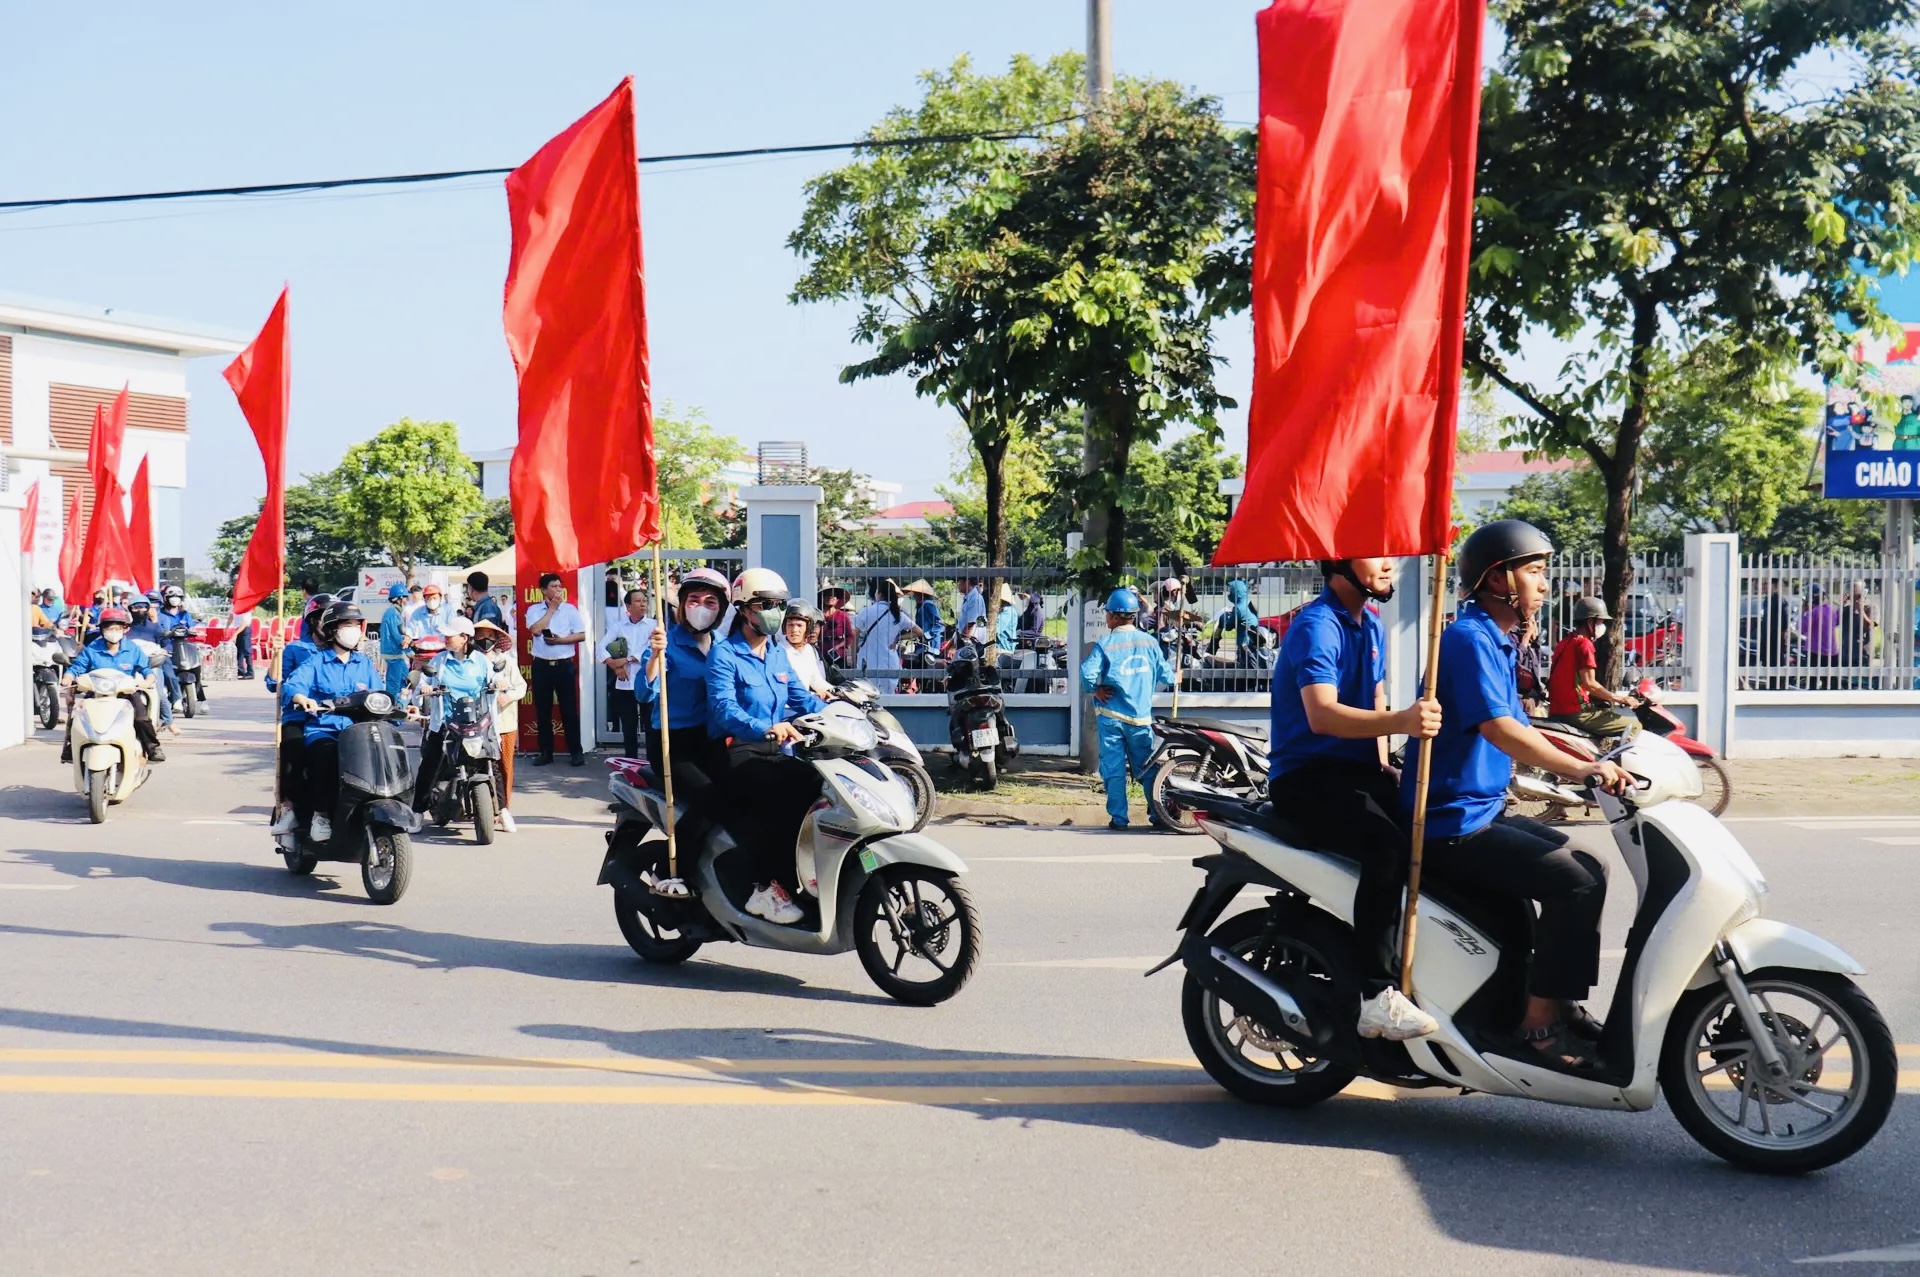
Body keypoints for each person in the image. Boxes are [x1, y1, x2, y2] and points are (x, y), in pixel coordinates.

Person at [1402, 520, 1631, 1073]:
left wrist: (1594, 754)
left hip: (1483, 812)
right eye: (1534, 571)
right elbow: (1501, 730)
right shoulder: (1468, 640)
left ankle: (1560, 1003)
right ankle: (1538, 1027)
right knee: (1575, 881)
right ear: (1497, 579)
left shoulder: (1497, 641)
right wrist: (1584, 770)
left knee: (1591, 866)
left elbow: (1527, 724)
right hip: (1449, 823)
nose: (1545, 584)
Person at [1268, 558, 1443, 1040]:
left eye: (1391, 554)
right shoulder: (1317, 626)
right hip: (1307, 778)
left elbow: (1376, 698)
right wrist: (1404, 722)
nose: (1388, 565)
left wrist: (1385, 764)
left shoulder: (1372, 625)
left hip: (1359, 773)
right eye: (1374, 553)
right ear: (1340, 563)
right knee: (1386, 849)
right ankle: (1376, 996)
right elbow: (1323, 714)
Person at [705, 568, 826, 924]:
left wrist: (844, 711)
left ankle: (797, 878)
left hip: (775, 749)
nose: (775, 612)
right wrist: (765, 728)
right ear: (745, 610)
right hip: (739, 750)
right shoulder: (724, 654)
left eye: (779, 605)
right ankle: (763, 888)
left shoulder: (776, 654)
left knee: (816, 785)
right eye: (766, 605)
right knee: (777, 797)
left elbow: (803, 699)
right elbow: (724, 709)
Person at [282, 601, 379, 843]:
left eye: (356, 625)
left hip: (359, 732)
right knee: (326, 756)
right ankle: (321, 815)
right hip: (324, 729)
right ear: (333, 629)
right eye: (348, 625)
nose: (354, 630)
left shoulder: (364, 664)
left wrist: (401, 705)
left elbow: (381, 694)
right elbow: (293, 684)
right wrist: (301, 697)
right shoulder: (316, 661)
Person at [1078, 588, 1173, 831]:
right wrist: (1176, 677)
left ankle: (1119, 819)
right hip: (1140, 718)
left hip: (1111, 717)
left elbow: (1087, 674)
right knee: (1147, 768)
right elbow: (1167, 676)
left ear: (1113, 616)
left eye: (1107, 613)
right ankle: (1158, 815)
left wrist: (1095, 689)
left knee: (1113, 769)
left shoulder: (1106, 643)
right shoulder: (1150, 642)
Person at [643, 567, 730, 788]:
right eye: (694, 600)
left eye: (710, 602)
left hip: (713, 740)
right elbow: (643, 694)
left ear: (720, 609)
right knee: (707, 796)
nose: (701, 607)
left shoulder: (726, 647)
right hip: (672, 743)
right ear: (682, 604)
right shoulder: (665, 644)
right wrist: (654, 657)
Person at [61, 606, 165, 765]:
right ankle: (71, 748)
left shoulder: (132, 649)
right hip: (96, 693)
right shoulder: (92, 649)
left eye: (117, 628)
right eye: (109, 628)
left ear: (125, 629)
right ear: (102, 630)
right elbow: (77, 668)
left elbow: (146, 670)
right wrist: (68, 677)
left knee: (141, 718)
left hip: (126, 693)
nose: (113, 632)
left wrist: (148, 680)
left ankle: (153, 748)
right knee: (79, 716)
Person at [411, 616, 494, 814]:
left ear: (464, 638)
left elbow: (494, 679)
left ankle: (498, 810)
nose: (446, 639)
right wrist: (424, 688)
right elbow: (423, 683)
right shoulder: (439, 660)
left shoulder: (481, 661)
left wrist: (499, 683)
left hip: (475, 721)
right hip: (445, 721)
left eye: (451, 635)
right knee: (431, 763)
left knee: (489, 760)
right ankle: (417, 810)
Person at [1546, 598, 1638, 739]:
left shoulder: (1566, 642)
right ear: (1590, 622)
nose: (1602, 626)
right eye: (1600, 622)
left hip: (1557, 710)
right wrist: (1621, 699)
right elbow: (1590, 685)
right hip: (1576, 713)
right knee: (1634, 726)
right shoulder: (1584, 644)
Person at [526, 572, 587, 766]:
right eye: (554, 586)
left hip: (564, 665)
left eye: (560, 586)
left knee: (569, 709)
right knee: (543, 710)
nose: (558, 589)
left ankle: (576, 751)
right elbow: (535, 630)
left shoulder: (570, 610)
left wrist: (561, 640)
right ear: (544, 590)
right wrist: (551, 610)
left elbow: (581, 635)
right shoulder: (534, 609)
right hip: (542, 665)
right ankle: (546, 752)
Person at [473, 617, 525, 832]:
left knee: (504, 767)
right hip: (478, 723)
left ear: (496, 638)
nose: (485, 640)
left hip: (504, 723)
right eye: (480, 636)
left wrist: (508, 695)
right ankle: (483, 808)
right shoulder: (471, 661)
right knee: (480, 765)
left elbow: (521, 687)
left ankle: (504, 810)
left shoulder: (506, 661)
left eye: (489, 636)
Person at [600, 586, 657, 760]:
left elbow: (650, 649)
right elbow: (600, 647)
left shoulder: (654, 625)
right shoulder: (618, 627)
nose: (643, 604)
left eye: (645, 601)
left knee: (651, 725)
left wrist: (628, 659)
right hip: (624, 683)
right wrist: (614, 665)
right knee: (629, 726)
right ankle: (630, 761)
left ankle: (653, 762)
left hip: (647, 681)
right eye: (638, 601)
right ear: (628, 606)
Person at [853, 580, 922, 694]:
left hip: (868, 660)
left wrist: (854, 658)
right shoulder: (898, 614)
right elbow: (919, 632)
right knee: (889, 696)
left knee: (868, 694)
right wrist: (898, 638)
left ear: (879, 594)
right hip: (890, 661)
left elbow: (854, 638)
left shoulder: (865, 612)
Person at [124, 598, 177, 733]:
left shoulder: (154, 628)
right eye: (136, 608)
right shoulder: (126, 629)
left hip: (152, 665)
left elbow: (166, 643)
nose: (139, 610)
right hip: (131, 667)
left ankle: (169, 721)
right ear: (130, 610)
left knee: (159, 694)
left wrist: (165, 650)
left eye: (143, 607)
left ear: (148, 609)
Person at [779, 601, 834, 698]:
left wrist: (835, 691)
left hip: (806, 702)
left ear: (808, 628)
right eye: (790, 625)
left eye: (799, 625)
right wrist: (813, 695)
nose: (794, 630)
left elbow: (816, 680)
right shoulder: (778, 651)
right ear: (784, 627)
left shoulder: (808, 650)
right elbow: (784, 688)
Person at [1839, 580, 1877, 689]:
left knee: (1861, 686)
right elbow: (1834, 621)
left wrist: (1860, 609)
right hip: (1847, 653)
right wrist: (1842, 604)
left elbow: (1871, 625)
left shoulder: (1871, 607)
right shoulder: (1847, 609)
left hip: (1862, 654)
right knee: (1845, 686)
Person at [1800, 583, 1838, 689]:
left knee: (1812, 683)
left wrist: (1803, 611)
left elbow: (1802, 628)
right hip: (1832, 653)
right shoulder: (1831, 610)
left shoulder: (1815, 612)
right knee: (1830, 684)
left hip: (1815, 652)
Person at [377, 582, 411, 697]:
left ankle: (402, 703)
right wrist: (410, 651)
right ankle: (391, 704)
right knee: (394, 684)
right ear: (399, 598)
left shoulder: (394, 612)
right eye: (405, 598)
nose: (407, 601)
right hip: (393, 654)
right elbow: (397, 635)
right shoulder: (392, 613)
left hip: (396, 654)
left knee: (405, 679)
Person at [816, 585, 858, 669]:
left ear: (837, 599)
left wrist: (838, 646)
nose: (830, 597)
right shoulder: (818, 615)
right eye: (827, 595)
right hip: (821, 656)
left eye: (833, 595)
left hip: (839, 656)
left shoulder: (843, 616)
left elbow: (850, 637)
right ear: (822, 598)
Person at [902, 579, 944, 655]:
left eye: (916, 594)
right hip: (922, 644)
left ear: (921, 595)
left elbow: (939, 624)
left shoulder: (928, 604)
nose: (914, 596)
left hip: (930, 646)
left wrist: (927, 635)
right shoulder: (921, 606)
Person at [233, 612, 256, 679]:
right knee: (239, 650)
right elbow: (231, 615)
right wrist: (227, 626)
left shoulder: (245, 609)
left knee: (246, 650)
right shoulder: (235, 607)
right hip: (238, 629)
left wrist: (235, 634)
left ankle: (250, 672)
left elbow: (245, 623)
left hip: (245, 628)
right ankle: (240, 670)